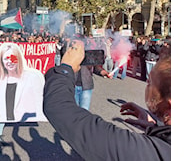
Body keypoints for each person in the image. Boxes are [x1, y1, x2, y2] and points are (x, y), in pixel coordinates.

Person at [43, 39, 171, 161]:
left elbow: (58, 107)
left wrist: (66, 66)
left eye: (150, 83)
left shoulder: (148, 151)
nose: (147, 85)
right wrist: (157, 127)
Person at [0, 42, 46, 123]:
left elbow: (40, 105)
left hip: (27, 128)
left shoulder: (32, 78)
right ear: (1, 61)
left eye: (13, 58)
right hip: (5, 129)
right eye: (6, 58)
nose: (10, 62)